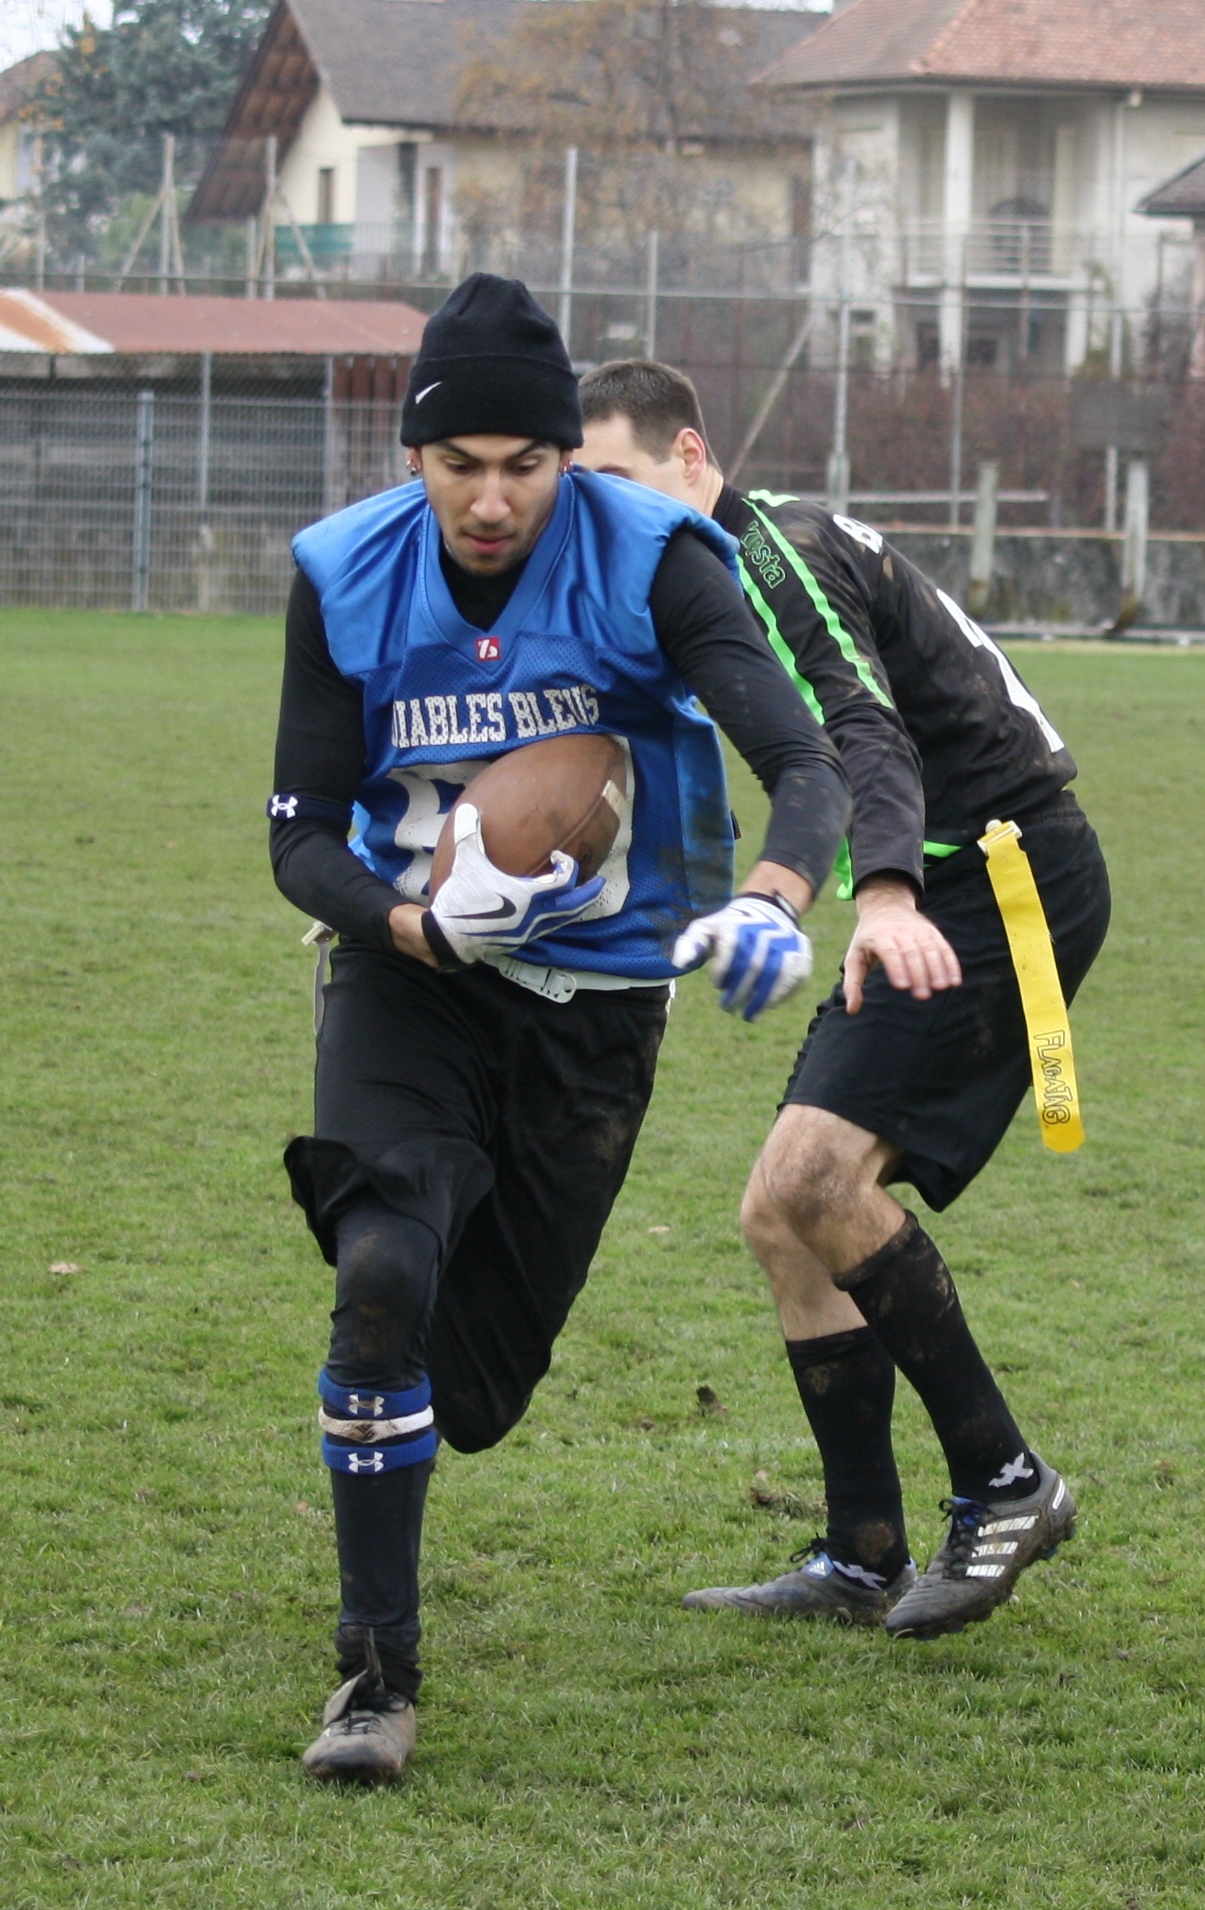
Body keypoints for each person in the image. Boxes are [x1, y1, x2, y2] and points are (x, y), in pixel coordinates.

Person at [269, 276, 851, 1782]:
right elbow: (295, 836)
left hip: (596, 1009)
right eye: (456, 463)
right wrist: (411, 923)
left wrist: (780, 891)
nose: (488, 498)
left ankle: (401, 1359)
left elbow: (800, 751)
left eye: (523, 464)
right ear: (414, 457)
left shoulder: (654, 556)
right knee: (385, 1271)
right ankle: (373, 1678)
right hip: (410, 977)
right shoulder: (343, 572)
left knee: (471, 1391)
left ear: (561, 458)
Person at [578, 359, 1111, 1640]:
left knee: (816, 1182)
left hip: (993, 879)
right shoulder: (694, 570)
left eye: (617, 482)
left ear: (691, 456)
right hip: (936, 878)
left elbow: (865, 732)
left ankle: (1003, 1478)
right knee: (778, 1210)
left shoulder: (771, 554)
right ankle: (861, 1548)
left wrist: (877, 892)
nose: (604, 515)